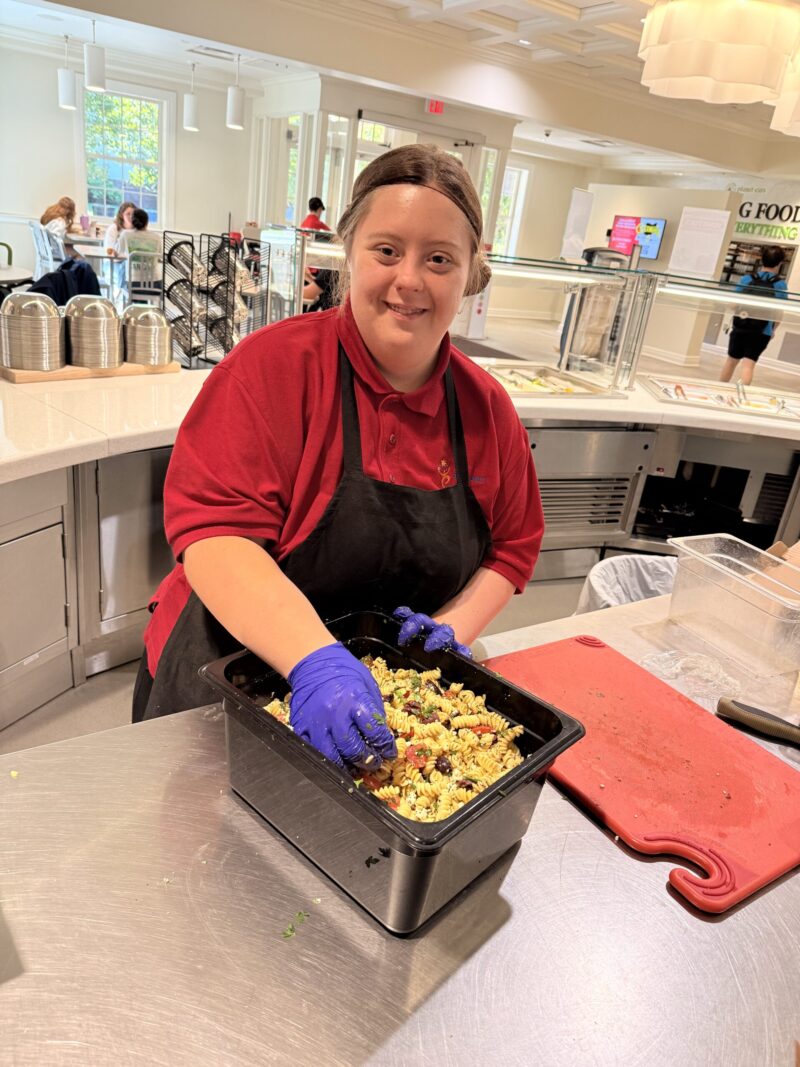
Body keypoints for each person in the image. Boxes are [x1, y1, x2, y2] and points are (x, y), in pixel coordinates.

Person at [132, 143, 544, 772]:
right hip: (225, 675)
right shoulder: (272, 368)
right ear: (349, 253)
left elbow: (513, 547)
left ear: (471, 275)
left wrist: (455, 629)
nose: (410, 279)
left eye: (440, 259)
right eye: (387, 250)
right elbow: (215, 534)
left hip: (385, 709)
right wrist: (315, 662)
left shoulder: (486, 408)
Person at [721, 246, 788, 387]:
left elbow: (732, 304)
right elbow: (779, 312)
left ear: (762, 260)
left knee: (731, 361)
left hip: (741, 327)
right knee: (748, 365)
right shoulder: (780, 285)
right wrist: (773, 330)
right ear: (780, 263)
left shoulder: (746, 279)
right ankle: (741, 398)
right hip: (762, 331)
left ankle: (718, 391)